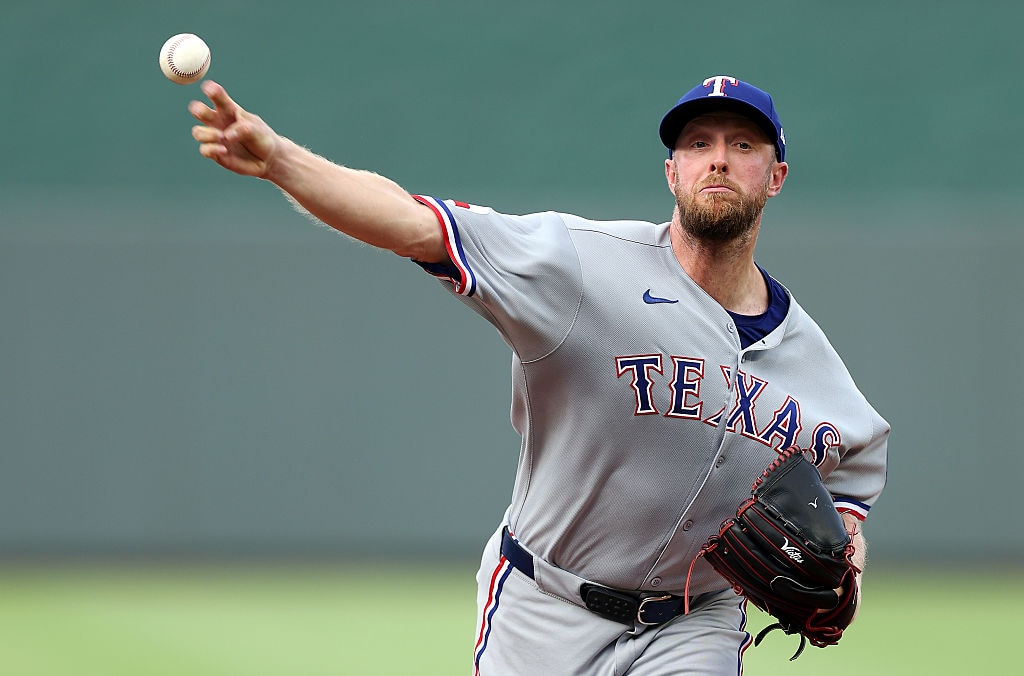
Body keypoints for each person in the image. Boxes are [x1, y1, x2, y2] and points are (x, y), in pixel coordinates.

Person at [188, 74, 889, 675]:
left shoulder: (815, 367)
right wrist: (280, 159)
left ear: (776, 176)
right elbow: (410, 223)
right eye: (698, 143)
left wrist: (847, 564)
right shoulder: (580, 265)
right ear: (671, 171)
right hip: (546, 605)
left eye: (743, 146)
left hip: (693, 623)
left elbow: (850, 481)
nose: (718, 161)